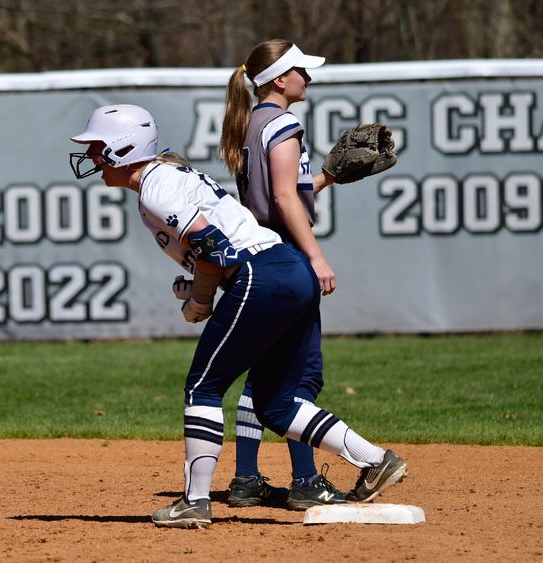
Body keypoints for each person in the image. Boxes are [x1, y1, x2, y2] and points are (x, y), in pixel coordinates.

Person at [69, 103, 407, 529]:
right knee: (276, 405)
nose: (91, 156)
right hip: (288, 270)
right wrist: (198, 288)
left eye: (97, 147)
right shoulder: (166, 179)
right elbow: (215, 250)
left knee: (203, 387)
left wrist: (199, 301)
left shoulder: (156, 186)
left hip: (261, 275)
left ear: (122, 149)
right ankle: (376, 460)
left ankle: (193, 501)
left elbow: (214, 248)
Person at [219, 39, 351, 511]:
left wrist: (329, 175)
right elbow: (284, 199)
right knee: (299, 376)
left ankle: (247, 479)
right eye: (300, 71)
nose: (307, 78)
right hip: (286, 257)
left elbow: (284, 189)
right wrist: (315, 256)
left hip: (258, 258)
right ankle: (305, 480)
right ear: (279, 79)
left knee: (265, 374)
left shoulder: (251, 123)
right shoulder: (283, 122)